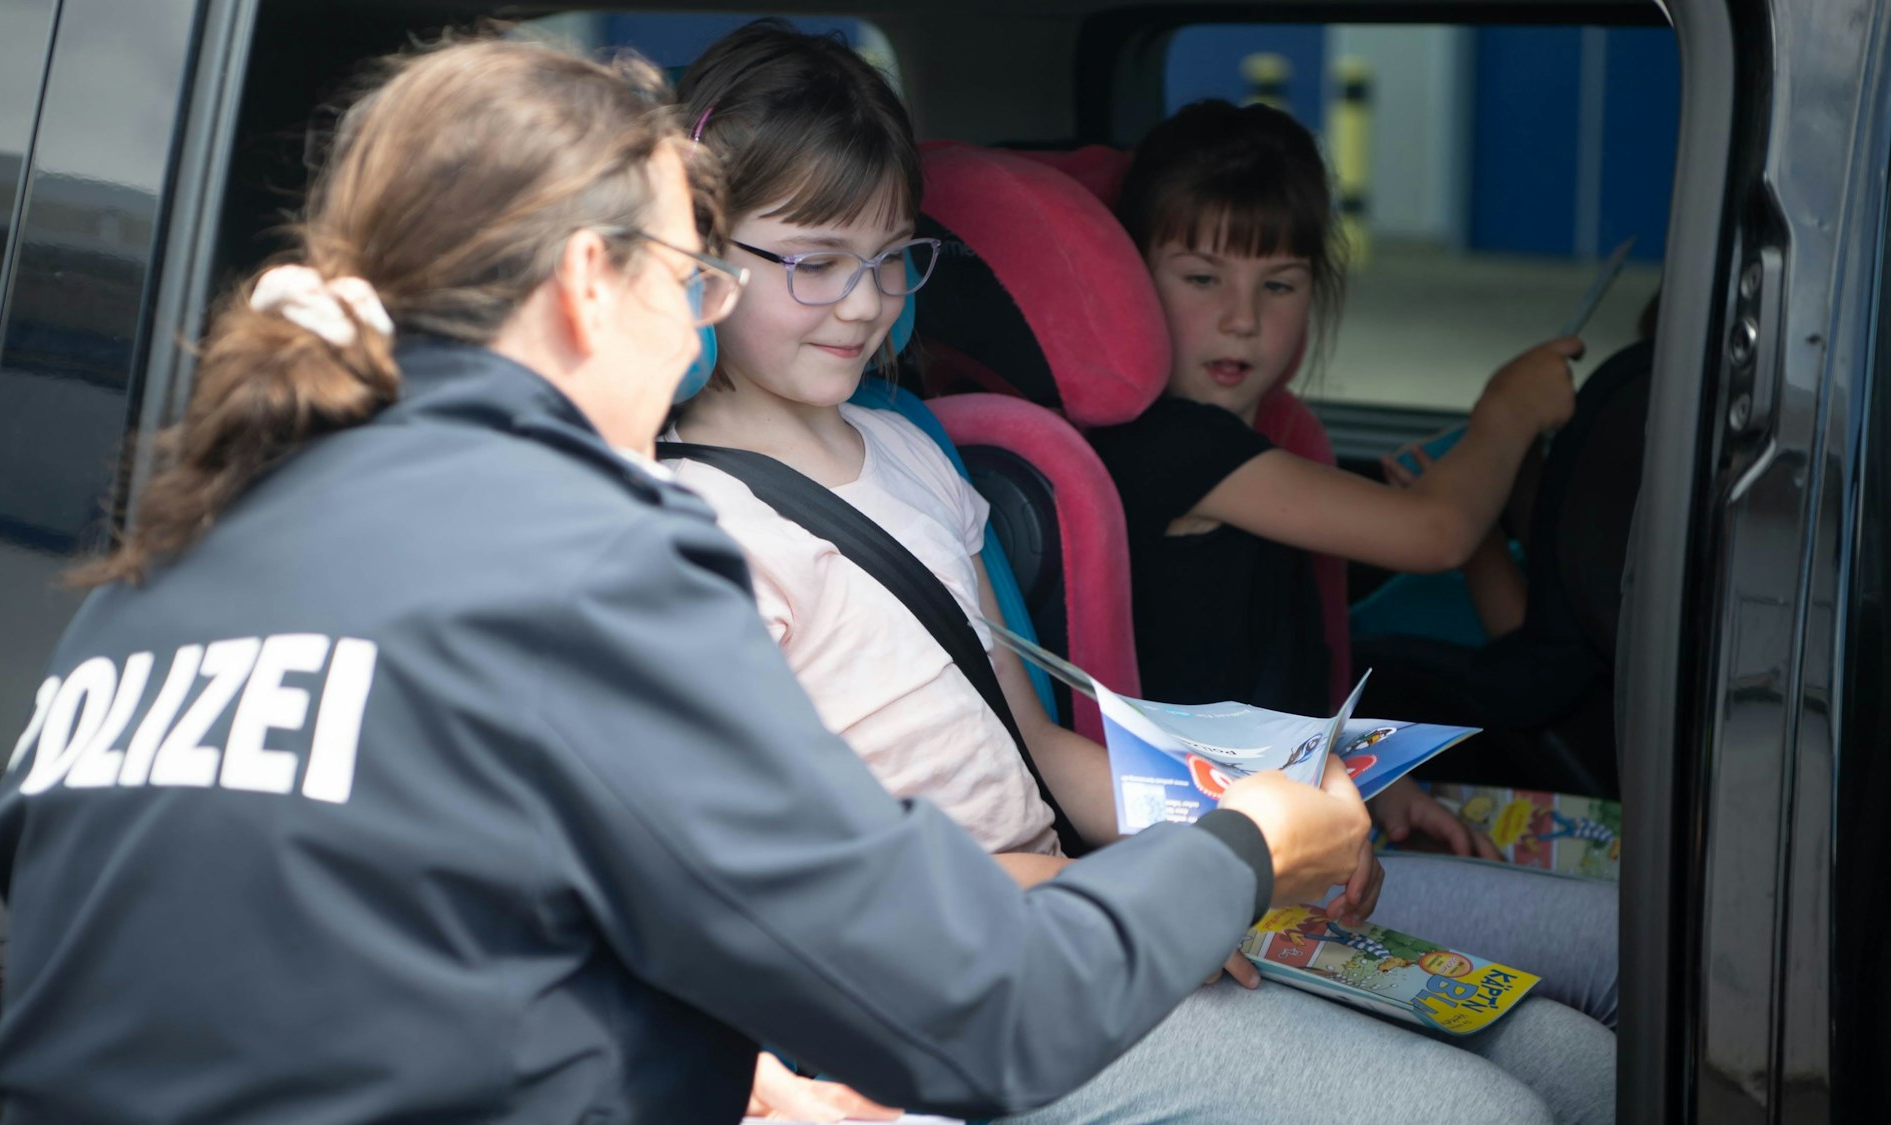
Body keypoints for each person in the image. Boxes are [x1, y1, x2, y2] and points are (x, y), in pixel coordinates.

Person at [0, 35, 1376, 1124]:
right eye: (690, 272)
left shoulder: (172, 558)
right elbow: (979, 1012)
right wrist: (1248, 844)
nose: (705, 315)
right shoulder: (584, 564)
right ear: (591, 282)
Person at [661, 21, 1613, 1125]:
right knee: (1482, 1116)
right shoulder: (688, 524)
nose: (866, 301)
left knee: (1575, 1066)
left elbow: (1043, 754)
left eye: (888, 256)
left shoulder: (911, 452)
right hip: (933, 980)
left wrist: (1248, 819)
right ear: (698, 254)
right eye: (816, 261)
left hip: (1067, 907)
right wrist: (1159, 901)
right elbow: (814, 888)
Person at [1093, 92, 1619, 1016]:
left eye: (1280, 285)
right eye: (1202, 278)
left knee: (1640, 872)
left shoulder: (1254, 442)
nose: (1243, 319)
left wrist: (1380, 782)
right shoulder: (1168, 448)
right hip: (1242, 869)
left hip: (1309, 815)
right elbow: (1433, 534)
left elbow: (1263, 675)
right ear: (1132, 279)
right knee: (1633, 945)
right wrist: (1507, 409)